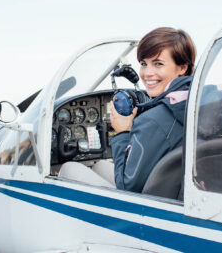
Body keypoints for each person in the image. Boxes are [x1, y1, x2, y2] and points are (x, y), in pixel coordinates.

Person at [59, 27, 196, 193]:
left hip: (148, 203)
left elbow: (127, 187)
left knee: (69, 168)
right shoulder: (194, 104)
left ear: (182, 68)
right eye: (144, 64)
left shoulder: (154, 120)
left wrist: (123, 132)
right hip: (173, 189)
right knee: (99, 165)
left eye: (158, 64)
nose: (147, 73)